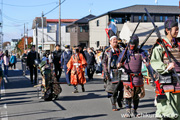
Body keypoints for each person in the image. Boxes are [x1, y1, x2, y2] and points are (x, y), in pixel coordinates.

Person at [117, 35, 153, 118]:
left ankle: (135, 111)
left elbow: (147, 63)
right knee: (127, 95)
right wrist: (119, 63)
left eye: (133, 45)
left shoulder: (141, 52)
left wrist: (151, 73)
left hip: (138, 77)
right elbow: (119, 61)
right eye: (131, 45)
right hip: (127, 76)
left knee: (136, 96)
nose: (131, 47)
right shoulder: (126, 52)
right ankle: (128, 111)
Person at [150, 19, 180, 119]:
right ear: (167, 30)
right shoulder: (159, 46)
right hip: (166, 83)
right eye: (175, 29)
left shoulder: (179, 44)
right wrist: (166, 67)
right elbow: (154, 62)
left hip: (179, 82)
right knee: (167, 113)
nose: (177, 31)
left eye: (178, 29)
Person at [102, 29, 123, 111]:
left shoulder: (121, 49)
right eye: (113, 40)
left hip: (122, 71)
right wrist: (106, 73)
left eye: (116, 39)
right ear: (110, 41)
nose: (115, 41)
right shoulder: (107, 51)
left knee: (123, 88)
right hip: (112, 72)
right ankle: (114, 104)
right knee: (113, 89)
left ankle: (120, 99)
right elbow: (104, 62)